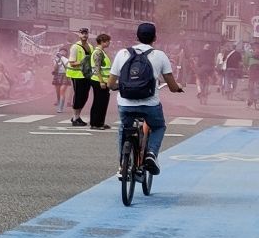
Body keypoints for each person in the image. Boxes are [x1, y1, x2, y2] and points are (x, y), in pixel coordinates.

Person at [109, 22, 182, 176]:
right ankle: (151, 154)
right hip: (149, 104)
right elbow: (171, 83)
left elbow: (110, 82)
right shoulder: (160, 55)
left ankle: (123, 165)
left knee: (124, 127)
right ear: (155, 37)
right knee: (159, 127)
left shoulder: (122, 54)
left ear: (136, 36)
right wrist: (177, 88)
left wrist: (117, 86)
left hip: (125, 103)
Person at [86, 32, 114, 130]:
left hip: (102, 80)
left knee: (103, 102)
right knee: (99, 102)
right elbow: (97, 68)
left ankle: (100, 122)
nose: (109, 43)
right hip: (98, 81)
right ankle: (95, 123)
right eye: (107, 41)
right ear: (102, 42)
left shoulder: (101, 52)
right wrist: (102, 81)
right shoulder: (98, 52)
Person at [65, 27, 93, 125]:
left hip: (86, 74)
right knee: (78, 96)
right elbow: (72, 62)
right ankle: (75, 117)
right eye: (82, 33)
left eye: (86, 33)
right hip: (77, 75)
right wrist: (83, 63)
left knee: (84, 96)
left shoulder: (90, 46)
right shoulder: (75, 47)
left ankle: (77, 116)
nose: (84, 35)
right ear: (79, 35)